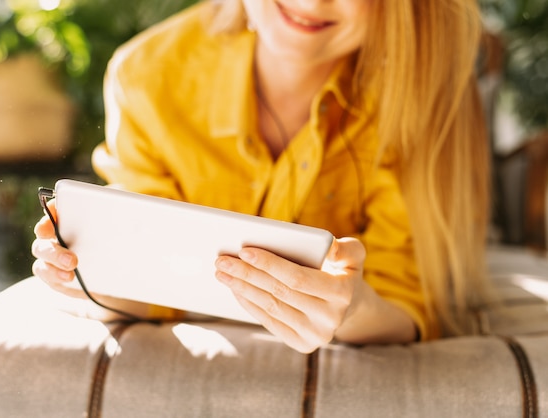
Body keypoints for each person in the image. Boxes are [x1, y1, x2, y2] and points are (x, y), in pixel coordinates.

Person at [32, 0, 491, 354]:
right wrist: (88, 278)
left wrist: (352, 309)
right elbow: (145, 289)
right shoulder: (148, 74)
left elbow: (412, 303)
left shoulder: (428, 96)